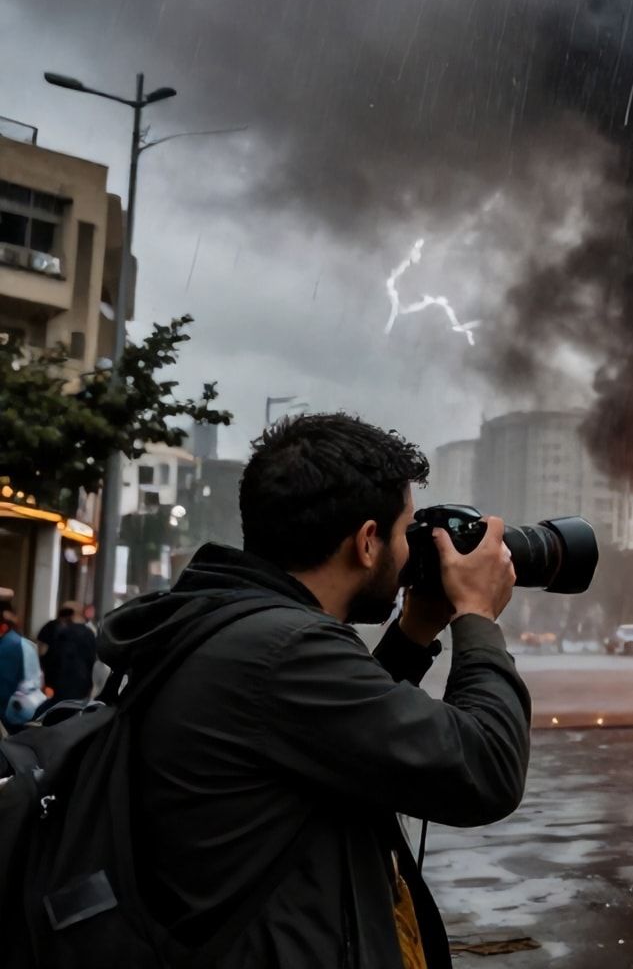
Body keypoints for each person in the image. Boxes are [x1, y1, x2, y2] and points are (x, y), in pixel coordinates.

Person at [101, 412, 527, 968]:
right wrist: (477, 615)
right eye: (404, 534)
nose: (409, 556)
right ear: (368, 542)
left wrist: (414, 630)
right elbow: (486, 768)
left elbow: (348, 730)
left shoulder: (234, 626)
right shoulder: (283, 650)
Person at [36, 600, 98, 711]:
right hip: (80, 691)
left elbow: (45, 655)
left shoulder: (55, 629)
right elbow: (92, 662)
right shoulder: (89, 634)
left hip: (58, 690)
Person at [1, 596, 47, 731]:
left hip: (14, 714)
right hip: (26, 709)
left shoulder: (9, 645)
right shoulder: (20, 642)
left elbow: (3, 689)